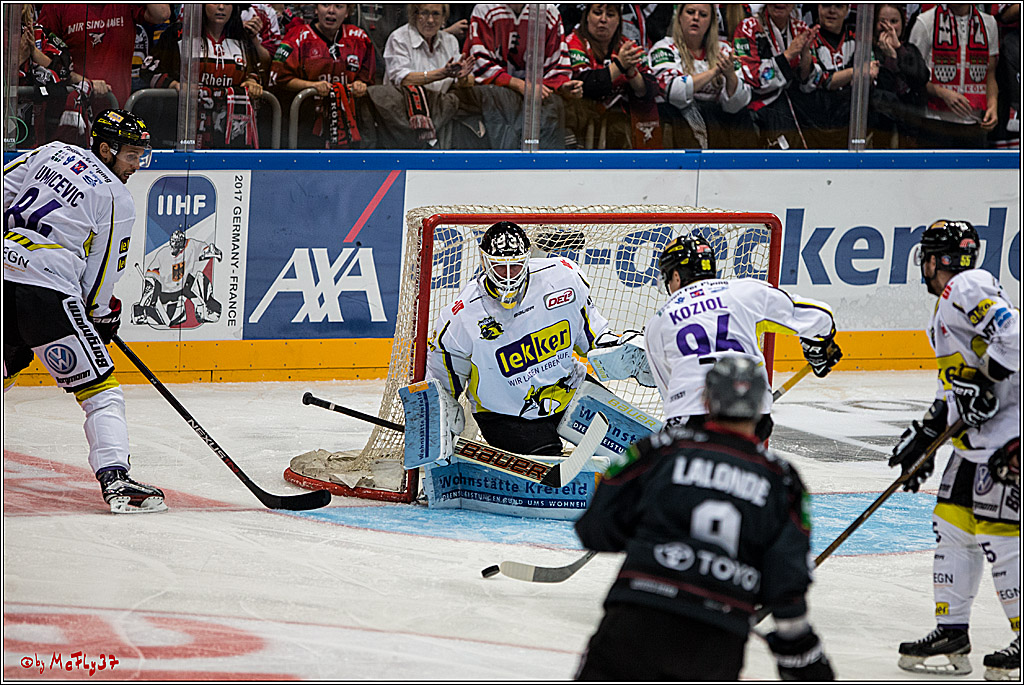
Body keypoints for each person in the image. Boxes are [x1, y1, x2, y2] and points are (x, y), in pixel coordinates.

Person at [573, 355, 835, 681]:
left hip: (637, 618)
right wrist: (799, 645)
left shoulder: (660, 450)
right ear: (760, 407)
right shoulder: (782, 480)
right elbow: (786, 581)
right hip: (716, 641)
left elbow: (594, 529)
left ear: (707, 399)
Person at [3, 109, 166, 515]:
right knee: (101, 391)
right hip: (48, 291)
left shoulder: (50, 151)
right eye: (130, 155)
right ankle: (117, 481)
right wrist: (99, 315)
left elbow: (4, 192)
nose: (136, 165)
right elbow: (104, 270)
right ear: (106, 149)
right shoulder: (115, 196)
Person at [888, 220, 1020, 680]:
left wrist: (989, 382)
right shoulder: (948, 305)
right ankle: (953, 631)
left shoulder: (967, 285)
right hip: (977, 441)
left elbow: (1015, 337)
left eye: (926, 257)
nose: (923, 267)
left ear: (936, 259)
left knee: (1000, 533)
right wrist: (926, 435)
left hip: (1010, 436)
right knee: (952, 524)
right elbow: (956, 390)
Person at [424, 221, 609, 456]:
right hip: (504, 414)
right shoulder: (462, 317)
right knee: (545, 465)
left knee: (629, 442)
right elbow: (441, 384)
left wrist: (621, 349)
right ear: (484, 261)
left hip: (568, 390)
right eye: (501, 267)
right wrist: (437, 421)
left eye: (517, 266)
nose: (509, 276)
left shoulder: (563, 278)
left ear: (527, 258)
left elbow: (594, 339)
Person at [643, 235, 842, 440]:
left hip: (691, 420)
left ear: (676, 276)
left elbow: (671, 393)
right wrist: (818, 347)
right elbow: (821, 316)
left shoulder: (657, 323)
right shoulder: (745, 291)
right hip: (752, 416)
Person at [464, 3, 583, 149]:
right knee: (498, 101)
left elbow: (557, 63)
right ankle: (506, 163)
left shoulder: (549, 11)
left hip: (535, 91)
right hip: (496, 91)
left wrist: (561, 86)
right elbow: (478, 62)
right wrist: (518, 85)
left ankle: (546, 166)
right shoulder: (485, 9)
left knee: (550, 103)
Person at [270, 3, 376, 149]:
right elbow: (279, 78)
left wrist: (360, 85)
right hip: (306, 122)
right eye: (325, 5)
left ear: (347, 12)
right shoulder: (296, 37)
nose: (331, 11)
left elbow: (367, 78)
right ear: (315, 9)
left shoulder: (360, 38)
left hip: (348, 123)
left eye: (338, 6)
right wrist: (311, 86)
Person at [650, 3, 755, 149]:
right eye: (690, 12)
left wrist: (730, 76)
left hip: (718, 122)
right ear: (679, 16)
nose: (696, 18)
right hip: (679, 120)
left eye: (703, 15)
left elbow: (737, 104)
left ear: (712, 21)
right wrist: (714, 72)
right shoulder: (663, 48)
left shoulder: (724, 50)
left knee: (742, 117)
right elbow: (674, 92)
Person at [38, 4, 172, 108]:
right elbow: (42, 54)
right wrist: (81, 81)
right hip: (71, 110)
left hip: (116, 109)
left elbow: (162, 13)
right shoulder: (57, 5)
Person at [565, 3, 661, 150]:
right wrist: (619, 66)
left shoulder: (627, 47)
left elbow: (652, 89)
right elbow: (586, 85)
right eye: (597, 13)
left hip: (619, 118)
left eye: (610, 15)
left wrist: (632, 73)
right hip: (582, 116)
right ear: (587, 17)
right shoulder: (573, 42)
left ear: (619, 21)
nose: (603, 20)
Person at [909, 3, 1000, 149]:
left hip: (974, 124)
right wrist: (942, 93)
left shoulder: (989, 23)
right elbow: (912, 77)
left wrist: (993, 104)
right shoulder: (925, 22)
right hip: (935, 122)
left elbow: (990, 74)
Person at [732, 3, 821, 149]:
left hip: (797, 108)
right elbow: (752, 78)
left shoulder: (802, 29)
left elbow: (811, 82)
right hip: (758, 107)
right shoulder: (747, 27)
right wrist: (787, 56)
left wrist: (805, 55)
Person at [802, 3, 879, 148]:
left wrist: (845, 77)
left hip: (852, 117)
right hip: (819, 119)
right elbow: (820, 81)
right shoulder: (809, 36)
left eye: (838, 6)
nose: (832, 11)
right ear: (818, 7)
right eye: (826, 5)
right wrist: (855, 72)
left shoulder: (858, 35)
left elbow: (870, 74)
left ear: (847, 10)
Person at [867, 3, 930, 149]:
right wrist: (889, 59)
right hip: (879, 132)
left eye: (894, 22)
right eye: (882, 22)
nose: (888, 27)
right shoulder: (866, 52)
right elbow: (881, 98)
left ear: (903, 24)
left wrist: (898, 51)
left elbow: (921, 78)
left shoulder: (910, 51)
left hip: (911, 132)